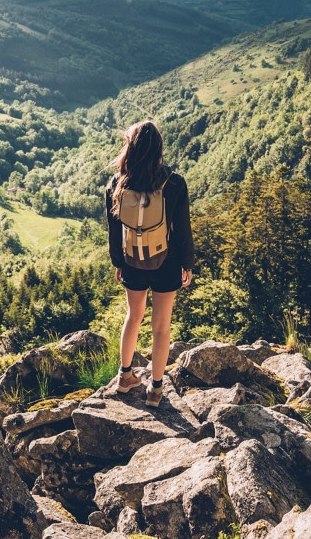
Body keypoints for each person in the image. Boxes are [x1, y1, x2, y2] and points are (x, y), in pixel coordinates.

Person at [105, 120, 194, 407]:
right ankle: (155, 390)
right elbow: (182, 230)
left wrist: (119, 262)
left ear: (130, 148)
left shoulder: (117, 184)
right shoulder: (174, 183)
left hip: (132, 261)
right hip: (166, 262)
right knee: (161, 328)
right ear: (159, 149)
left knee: (133, 317)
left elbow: (114, 230)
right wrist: (187, 264)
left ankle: (125, 376)